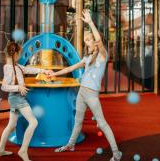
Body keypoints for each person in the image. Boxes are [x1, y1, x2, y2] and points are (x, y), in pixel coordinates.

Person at [50, 9, 122, 161]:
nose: (86, 41)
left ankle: (116, 153)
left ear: (95, 43)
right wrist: (54, 74)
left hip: (92, 94)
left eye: (89, 40)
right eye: (86, 40)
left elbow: (99, 41)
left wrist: (90, 23)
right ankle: (70, 145)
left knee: (102, 124)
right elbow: (71, 67)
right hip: (82, 92)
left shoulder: (103, 55)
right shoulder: (87, 58)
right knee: (78, 121)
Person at [0, 42, 53, 161]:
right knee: (33, 122)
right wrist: (18, 87)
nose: (20, 56)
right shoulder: (9, 68)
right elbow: (4, 87)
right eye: (19, 54)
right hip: (17, 98)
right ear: (15, 54)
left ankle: (0, 150)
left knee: (11, 125)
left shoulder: (16, 66)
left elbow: (28, 69)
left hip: (16, 98)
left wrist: (43, 71)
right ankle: (23, 151)